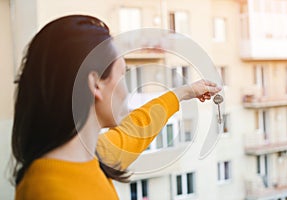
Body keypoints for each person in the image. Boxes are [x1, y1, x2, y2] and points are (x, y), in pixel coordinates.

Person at [11, 15, 222, 199]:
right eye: (122, 75)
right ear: (96, 85)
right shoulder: (50, 190)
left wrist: (185, 92)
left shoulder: (89, 155)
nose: (127, 90)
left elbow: (136, 129)